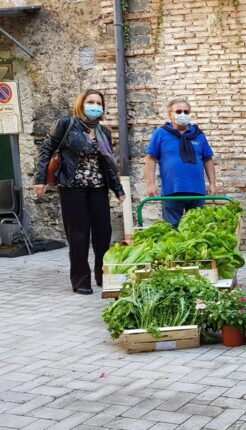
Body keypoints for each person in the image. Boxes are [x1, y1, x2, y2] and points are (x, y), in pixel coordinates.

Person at [34, 89, 126, 295]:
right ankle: (81, 280)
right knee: (78, 235)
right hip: (72, 188)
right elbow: (46, 150)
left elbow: (109, 164)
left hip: (98, 188)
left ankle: (103, 276)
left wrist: (118, 189)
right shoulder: (66, 125)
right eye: (90, 102)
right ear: (81, 104)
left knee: (103, 233)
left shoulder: (104, 132)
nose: (95, 106)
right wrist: (40, 179)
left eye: (98, 103)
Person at [145, 99, 217, 228]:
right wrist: (151, 184)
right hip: (172, 191)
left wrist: (212, 183)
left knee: (197, 229)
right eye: (178, 111)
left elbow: (208, 159)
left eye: (186, 111)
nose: (183, 114)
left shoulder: (199, 135)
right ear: (170, 115)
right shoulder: (160, 134)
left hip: (196, 191)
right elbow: (151, 159)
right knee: (172, 230)